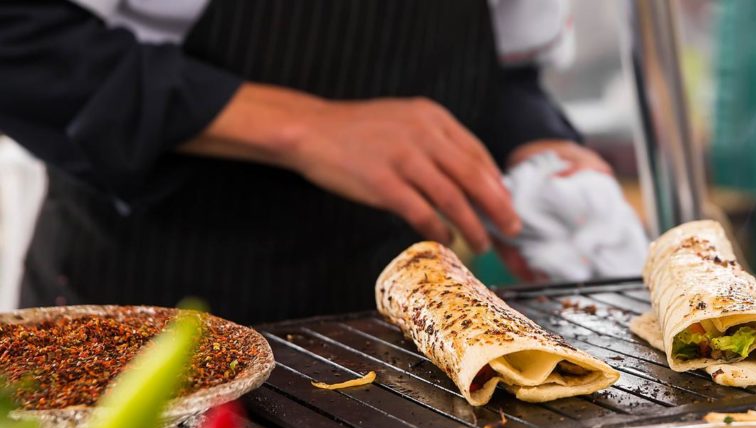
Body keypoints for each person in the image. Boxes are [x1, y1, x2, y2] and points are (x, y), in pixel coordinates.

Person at [0, 0, 612, 324]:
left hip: (388, 334)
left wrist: (539, 146)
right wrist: (307, 127)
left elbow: (506, 67)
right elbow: (21, 38)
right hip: (148, 313)